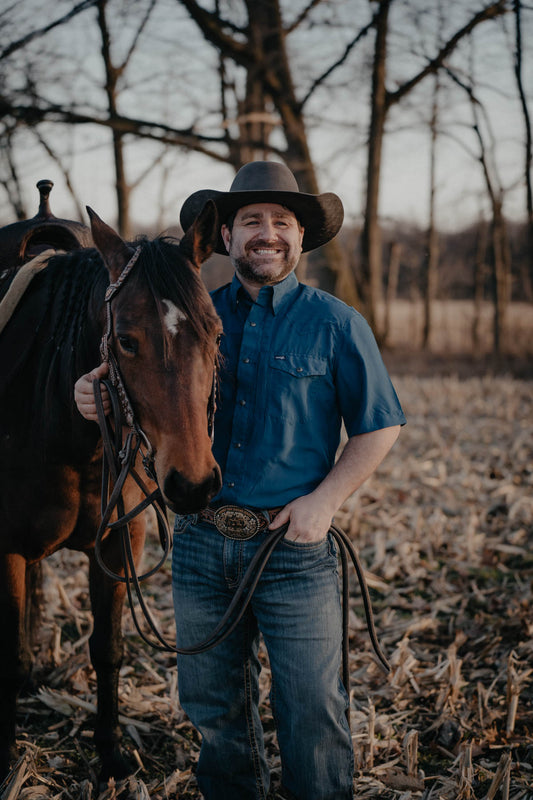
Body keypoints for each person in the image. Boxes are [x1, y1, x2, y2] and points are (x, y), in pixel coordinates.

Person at [74, 161, 406, 800]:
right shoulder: (191, 314)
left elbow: (380, 426)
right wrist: (93, 391)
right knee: (215, 716)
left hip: (294, 549)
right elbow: (141, 377)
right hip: (201, 545)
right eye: (250, 220)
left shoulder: (337, 324)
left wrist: (324, 501)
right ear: (225, 237)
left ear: (301, 238)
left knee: (312, 715)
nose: (267, 233)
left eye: (282, 221)